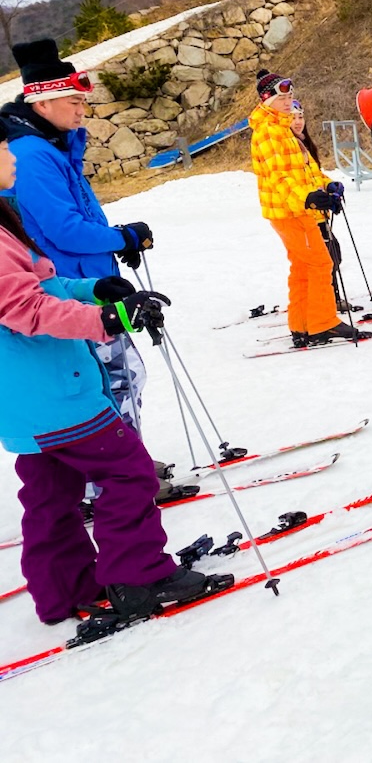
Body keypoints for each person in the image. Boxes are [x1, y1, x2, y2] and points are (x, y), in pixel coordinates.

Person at [0, 120, 231, 623]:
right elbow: (29, 312)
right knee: (129, 471)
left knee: (50, 496)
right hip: (57, 394)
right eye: (2, 146)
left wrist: (94, 291)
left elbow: (42, 287)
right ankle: (139, 575)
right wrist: (106, 319)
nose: (11, 154)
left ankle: (62, 590)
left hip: (24, 406)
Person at [0, 39, 186, 504]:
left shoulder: (53, 145)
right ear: (42, 101)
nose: (83, 109)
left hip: (86, 281)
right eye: (74, 100)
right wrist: (119, 237)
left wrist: (112, 251)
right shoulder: (34, 154)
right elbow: (64, 229)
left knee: (121, 376)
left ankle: (125, 460)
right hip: (65, 293)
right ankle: (112, 476)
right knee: (115, 380)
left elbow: (81, 213)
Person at [249, 70, 371, 347]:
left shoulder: (282, 129)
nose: (288, 100)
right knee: (320, 263)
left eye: (290, 95)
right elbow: (280, 177)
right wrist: (308, 199)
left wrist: (326, 187)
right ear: (267, 99)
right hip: (290, 211)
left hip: (295, 209)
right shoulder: (269, 132)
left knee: (303, 267)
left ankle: (302, 325)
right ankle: (321, 323)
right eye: (283, 96)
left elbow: (305, 172)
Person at [289, 98, 356, 314]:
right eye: (293, 117)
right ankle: (322, 303)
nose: (298, 122)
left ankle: (330, 298)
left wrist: (329, 185)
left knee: (332, 254)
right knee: (323, 259)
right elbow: (294, 183)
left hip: (319, 211)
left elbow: (314, 175)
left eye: (301, 117)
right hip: (305, 212)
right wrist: (314, 198)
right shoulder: (289, 146)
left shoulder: (303, 144)